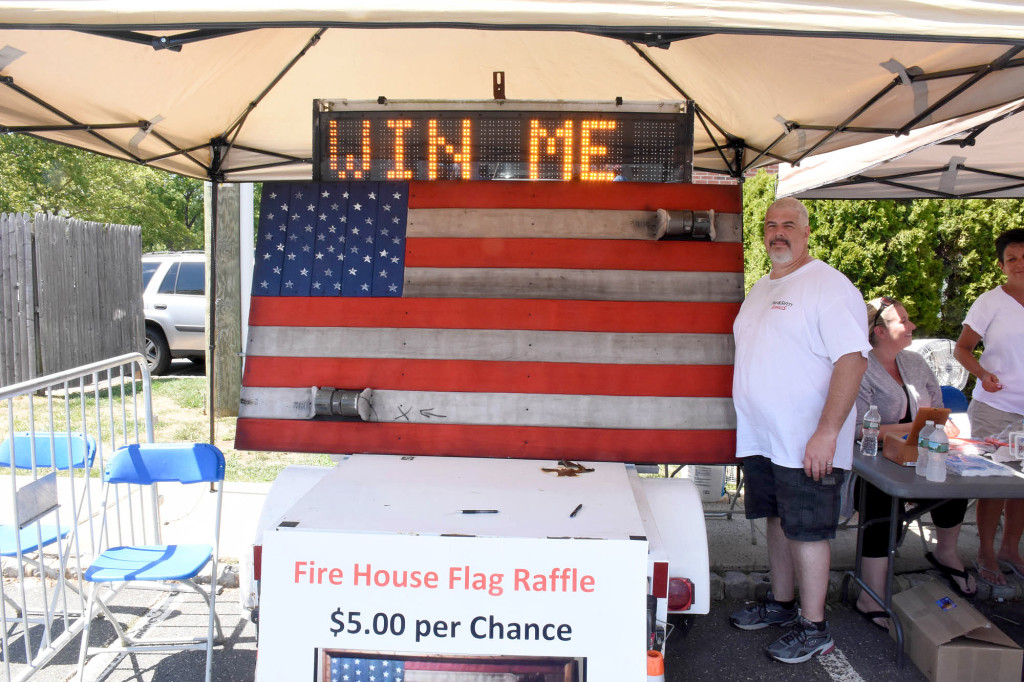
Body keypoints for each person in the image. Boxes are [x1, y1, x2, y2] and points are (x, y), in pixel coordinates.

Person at [729, 197, 869, 664]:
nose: (778, 233)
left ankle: (814, 628)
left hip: (807, 439)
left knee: (807, 531)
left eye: (789, 224)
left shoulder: (827, 286)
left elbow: (852, 358)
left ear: (807, 232)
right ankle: (782, 604)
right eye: (771, 225)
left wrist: (827, 432)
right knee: (778, 520)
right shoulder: (762, 286)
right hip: (766, 438)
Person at [853, 297, 973, 631]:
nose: (912, 326)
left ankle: (945, 553)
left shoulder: (915, 362)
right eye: (903, 321)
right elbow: (860, 429)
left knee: (956, 481)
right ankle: (870, 594)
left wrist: (941, 425)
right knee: (877, 496)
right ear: (879, 331)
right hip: (871, 460)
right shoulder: (859, 366)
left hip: (921, 455)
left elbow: (937, 410)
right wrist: (918, 426)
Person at [954, 228, 1024, 587]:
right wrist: (982, 373)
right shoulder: (989, 302)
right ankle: (985, 551)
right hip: (995, 407)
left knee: (1022, 487)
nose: (1019, 264)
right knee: (995, 483)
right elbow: (961, 348)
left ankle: (1011, 549)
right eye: (1012, 259)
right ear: (1001, 266)